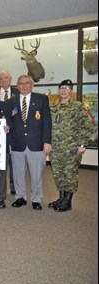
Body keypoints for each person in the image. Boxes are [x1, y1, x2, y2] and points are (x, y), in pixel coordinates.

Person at [49, 79, 96, 212]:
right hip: (56, 148)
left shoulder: (77, 106)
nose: (64, 90)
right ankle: (61, 197)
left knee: (70, 174)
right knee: (58, 174)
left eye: (67, 88)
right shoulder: (54, 107)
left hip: (71, 148)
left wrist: (82, 144)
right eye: (61, 88)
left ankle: (67, 202)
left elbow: (86, 127)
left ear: (71, 91)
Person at [8, 75, 52, 210]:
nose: (24, 85)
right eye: (20, 83)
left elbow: (47, 122)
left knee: (37, 173)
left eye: (27, 83)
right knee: (17, 173)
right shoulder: (11, 101)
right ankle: (20, 197)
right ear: (17, 86)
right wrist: (9, 142)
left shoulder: (42, 99)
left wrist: (47, 142)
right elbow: (9, 123)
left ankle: (36, 199)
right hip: (17, 144)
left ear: (32, 85)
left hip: (37, 144)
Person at [0, 70, 19, 195]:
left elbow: (21, 108)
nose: (3, 80)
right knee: (0, 162)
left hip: (15, 131)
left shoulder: (17, 92)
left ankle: (14, 186)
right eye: (0, 79)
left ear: (10, 79)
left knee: (14, 162)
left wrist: (14, 112)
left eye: (5, 78)